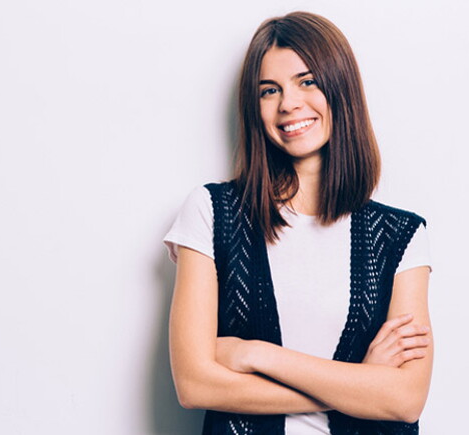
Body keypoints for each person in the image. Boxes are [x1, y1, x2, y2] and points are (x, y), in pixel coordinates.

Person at [163, 11, 433, 435]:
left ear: (340, 89)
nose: (288, 103)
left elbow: (404, 400)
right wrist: (361, 382)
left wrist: (255, 355)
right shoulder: (211, 212)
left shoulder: (400, 237)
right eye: (269, 90)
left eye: (307, 81)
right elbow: (194, 384)